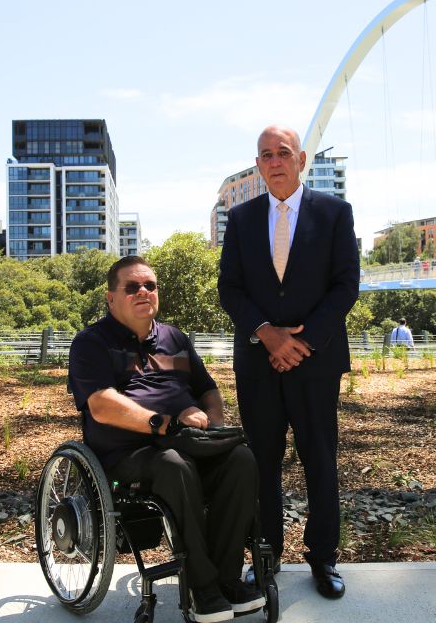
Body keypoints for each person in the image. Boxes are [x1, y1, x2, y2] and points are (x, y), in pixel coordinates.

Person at [68, 256, 264, 623]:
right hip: (128, 452)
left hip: (186, 440)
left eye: (150, 286)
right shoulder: (91, 343)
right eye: (132, 287)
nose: (144, 292)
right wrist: (167, 424)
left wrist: (214, 429)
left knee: (240, 459)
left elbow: (207, 390)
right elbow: (101, 405)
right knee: (175, 467)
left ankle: (227, 579)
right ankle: (201, 588)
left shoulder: (175, 338)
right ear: (111, 298)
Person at [218, 124, 360, 600]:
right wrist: (266, 334)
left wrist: (303, 343)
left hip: (315, 361)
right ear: (258, 165)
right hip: (257, 362)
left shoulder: (335, 213)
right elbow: (230, 289)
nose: (274, 161)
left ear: (301, 160)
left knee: (320, 460)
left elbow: (345, 285)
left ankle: (323, 558)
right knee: (262, 464)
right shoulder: (240, 220)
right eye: (265, 155)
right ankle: (265, 557)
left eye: (283, 153)